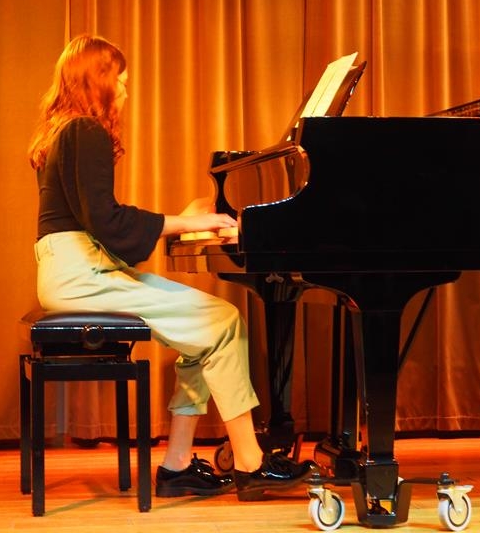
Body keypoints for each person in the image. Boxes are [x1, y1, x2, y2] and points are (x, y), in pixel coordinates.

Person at [28, 33, 318, 501]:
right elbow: (106, 221)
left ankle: (177, 466)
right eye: (120, 81)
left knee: (203, 335)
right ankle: (252, 464)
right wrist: (190, 222)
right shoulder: (85, 130)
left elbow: (99, 220)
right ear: (97, 81)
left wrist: (180, 220)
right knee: (225, 321)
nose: (125, 91)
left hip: (73, 270)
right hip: (81, 275)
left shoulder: (64, 131)